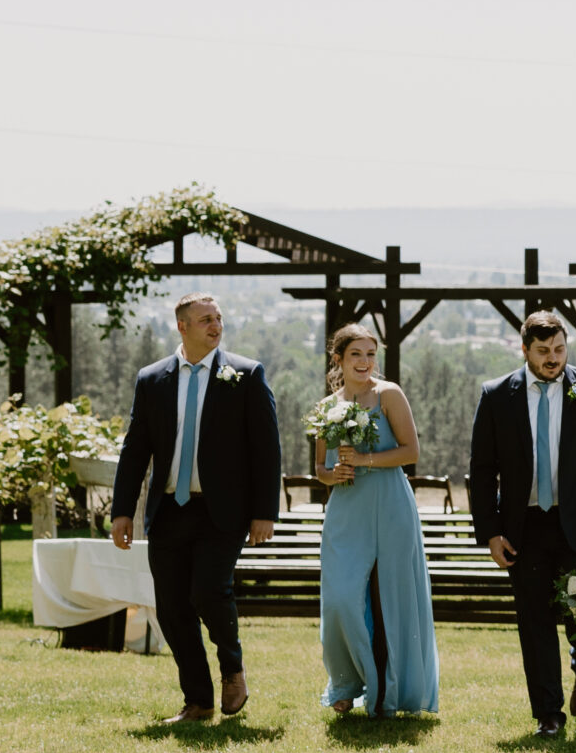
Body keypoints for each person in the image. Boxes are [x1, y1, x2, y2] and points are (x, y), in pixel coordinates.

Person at [109, 294, 281, 724]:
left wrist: (265, 511)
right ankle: (199, 701)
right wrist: (122, 510)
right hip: (168, 509)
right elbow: (136, 450)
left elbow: (266, 448)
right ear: (182, 326)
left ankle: (233, 668)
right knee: (171, 608)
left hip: (222, 512)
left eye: (219, 318)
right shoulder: (152, 380)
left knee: (208, 590)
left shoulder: (245, 374)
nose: (215, 325)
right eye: (205, 319)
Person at [467, 311, 576, 737]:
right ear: (524, 349)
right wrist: (490, 532)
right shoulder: (495, 396)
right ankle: (548, 712)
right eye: (543, 351)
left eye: (559, 349)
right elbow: (483, 469)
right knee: (534, 619)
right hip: (522, 526)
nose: (553, 358)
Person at [310, 325, 439, 717]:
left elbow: (410, 451)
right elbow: (318, 466)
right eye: (356, 355)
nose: (365, 362)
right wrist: (332, 475)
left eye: (370, 354)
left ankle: (387, 689)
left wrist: (364, 461)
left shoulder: (388, 394)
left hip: (389, 504)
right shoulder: (328, 405)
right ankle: (347, 683)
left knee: (388, 600)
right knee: (340, 599)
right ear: (339, 359)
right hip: (346, 508)